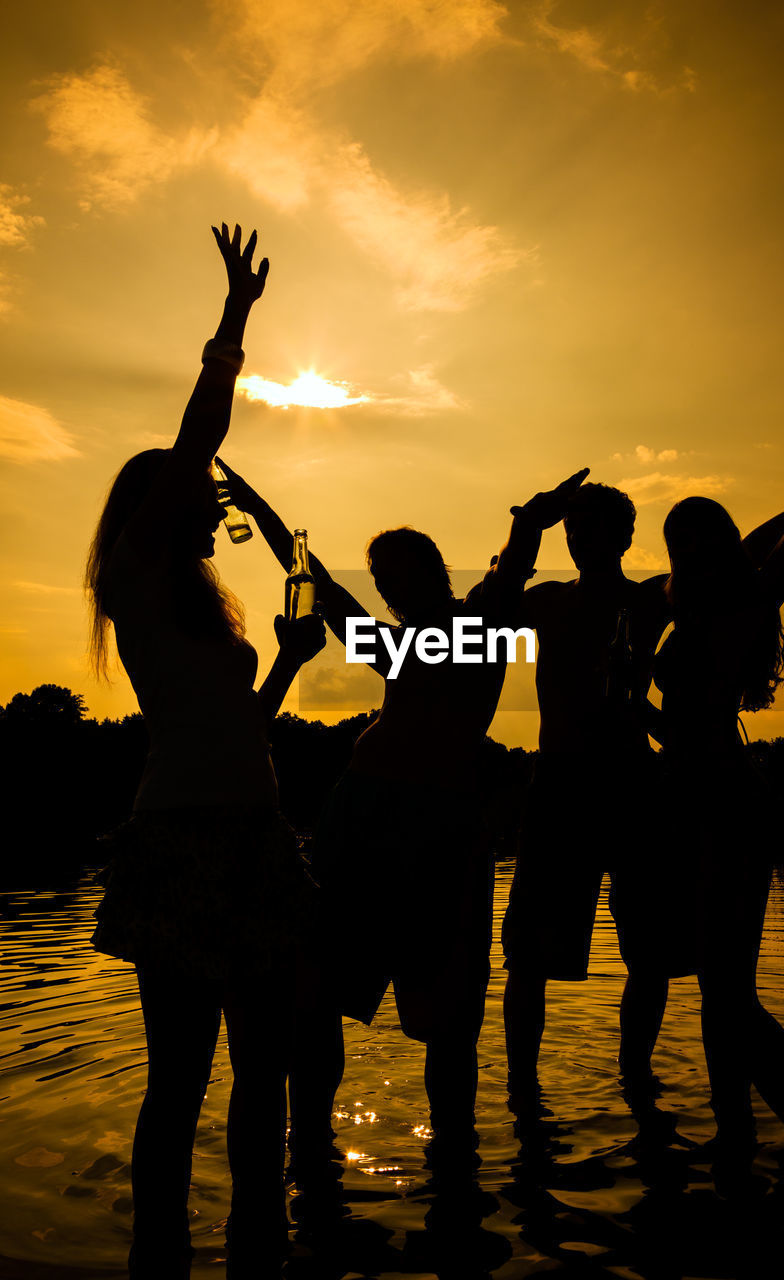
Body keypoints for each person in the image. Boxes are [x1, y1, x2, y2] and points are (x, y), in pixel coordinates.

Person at [213, 462, 588, 1156]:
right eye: (379, 580)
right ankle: (312, 1145)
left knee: (450, 1013)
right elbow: (315, 578)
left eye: (395, 573)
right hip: (362, 814)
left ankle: (453, 1153)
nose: (385, 587)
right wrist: (258, 506)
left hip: (445, 827)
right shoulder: (392, 643)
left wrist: (527, 526)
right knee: (317, 989)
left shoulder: (475, 626)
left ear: (434, 572)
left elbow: (509, 577)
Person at [84, 225, 326, 1278]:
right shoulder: (135, 574)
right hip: (180, 840)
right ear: (160, 505)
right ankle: (158, 1254)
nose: (216, 493)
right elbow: (197, 435)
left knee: (262, 1075)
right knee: (180, 1079)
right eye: (200, 486)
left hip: (253, 833)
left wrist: (285, 664)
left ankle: (257, 1245)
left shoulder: (205, 605)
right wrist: (236, 319)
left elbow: (239, 728)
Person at [652, 445, 784, 1174]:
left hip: (727, 804)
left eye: (706, 534)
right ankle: (733, 1133)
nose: (693, 547)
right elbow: (676, 727)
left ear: (727, 546)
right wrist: (632, 700)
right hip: (688, 800)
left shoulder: (748, 600)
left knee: (730, 992)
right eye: (680, 539)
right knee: (715, 989)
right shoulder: (688, 612)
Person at [499, 476, 676, 1105]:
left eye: (591, 529)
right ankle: (522, 1087)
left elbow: (739, 562)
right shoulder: (546, 602)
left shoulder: (651, 600)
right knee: (526, 954)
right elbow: (477, 617)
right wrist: (527, 531)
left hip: (631, 783)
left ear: (626, 535)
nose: (578, 541)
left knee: (648, 951)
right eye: (571, 531)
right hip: (559, 786)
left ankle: (636, 1075)